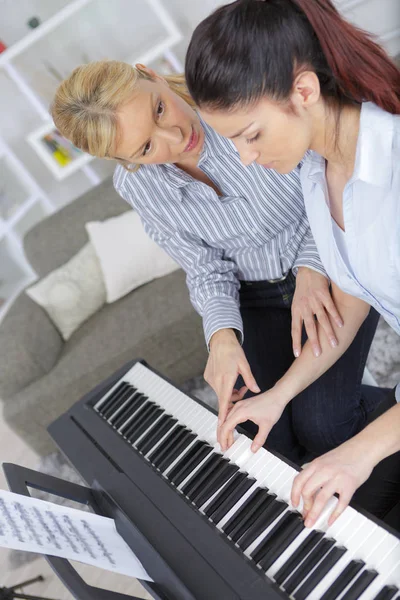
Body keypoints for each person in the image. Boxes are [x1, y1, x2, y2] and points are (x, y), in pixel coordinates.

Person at [51, 60, 383, 469]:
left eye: (158, 109)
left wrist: (314, 266)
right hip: (254, 295)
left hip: (332, 259)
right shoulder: (137, 185)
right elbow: (204, 265)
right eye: (146, 147)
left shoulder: (236, 99)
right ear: (124, 160)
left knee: (324, 426)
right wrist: (221, 336)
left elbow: (330, 175)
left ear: (151, 73)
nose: (174, 135)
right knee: (264, 440)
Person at [184, 0, 400, 526]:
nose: (245, 158)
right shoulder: (313, 171)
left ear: (303, 91)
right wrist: (278, 397)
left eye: (251, 134)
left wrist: (359, 454)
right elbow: (352, 298)